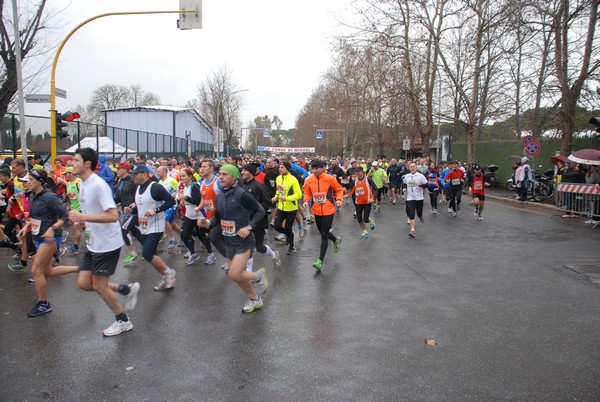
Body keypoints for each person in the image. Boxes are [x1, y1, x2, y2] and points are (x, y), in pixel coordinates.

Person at [67, 148, 139, 336]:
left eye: (75, 160)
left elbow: (113, 215)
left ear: (87, 163)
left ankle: (123, 321)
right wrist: (83, 220)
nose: (71, 163)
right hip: (93, 241)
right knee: (84, 283)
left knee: (99, 286)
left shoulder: (98, 185)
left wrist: (84, 216)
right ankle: (125, 289)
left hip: (107, 243)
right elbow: (92, 212)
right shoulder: (82, 184)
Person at [198, 164, 269, 313]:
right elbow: (218, 217)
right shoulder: (220, 196)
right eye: (220, 174)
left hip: (244, 242)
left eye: (225, 174)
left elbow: (260, 211)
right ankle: (255, 299)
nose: (221, 177)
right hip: (229, 241)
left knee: (234, 274)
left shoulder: (243, 195)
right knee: (237, 276)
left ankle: (258, 275)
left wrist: (249, 227)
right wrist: (208, 222)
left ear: (234, 177)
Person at [20, 169, 78, 317]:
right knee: (47, 271)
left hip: (51, 238)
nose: (27, 183)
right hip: (38, 237)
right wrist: (26, 227)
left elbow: (65, 216)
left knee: (35, 270)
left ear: (39, 181)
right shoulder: (33, 196)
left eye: (30, 180)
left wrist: (53, 228)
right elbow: (35, 216)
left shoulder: (50, 197)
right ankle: (81, 268)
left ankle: (43, 303)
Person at [124, 164, 177, 291]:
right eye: (132, 174)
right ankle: (166, 277)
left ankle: (170, 273)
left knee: (147, 254)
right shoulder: (138, 188)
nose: (133, 176)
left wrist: (156, 210)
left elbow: (171, 201)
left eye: (135, 174)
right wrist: (132, 209)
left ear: (144, 174)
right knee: (151, 255)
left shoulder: (155, 187)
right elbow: (142, 206)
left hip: (155, 226)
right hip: (144, 226)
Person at [302, 159, 344, 270]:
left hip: (328, 209)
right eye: (312, 168)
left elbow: (339, 189)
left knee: (324, 235)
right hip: (316, 210)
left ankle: (320, 260)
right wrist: (306, 200)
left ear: (322, 168)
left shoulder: (330, 178)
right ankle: (335, 240)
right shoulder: (309, 179)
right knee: (322, 233)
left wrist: (339, 199)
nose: (314, 171)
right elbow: (307, 192)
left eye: (317, 168)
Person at [241, 164, 281, 270]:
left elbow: (268, 203)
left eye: (245, 170)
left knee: (259, 247)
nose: (242, 172)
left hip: (258, 221)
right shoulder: (242, 186)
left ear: (250, 172)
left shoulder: (259, 186)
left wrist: (255, 210)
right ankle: (249, 273)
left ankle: (273, 254)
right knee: (247, 246)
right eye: (242, 170)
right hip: (246, 221)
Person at [179, 167, 216, 265]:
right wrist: (183, 202)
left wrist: (186, 198)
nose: (181, 178)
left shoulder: (195, 186)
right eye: (180, 176)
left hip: (199, 215)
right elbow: (188, 201)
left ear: (190, 176)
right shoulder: (184, 186)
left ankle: (211, 253)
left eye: (183, 176)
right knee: (183, 235)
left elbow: (198, 201)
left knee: (201, 235)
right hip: (189, 215)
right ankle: (193, 253)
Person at [272, 161, 302, 255]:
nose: (280, 169)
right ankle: (289, 236)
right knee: (277, 226)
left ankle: (292, 247)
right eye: (279, 167)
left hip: (291, 208)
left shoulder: (293, 179)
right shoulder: (278, 178)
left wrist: (287, 198)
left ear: (287, 169)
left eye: (282, 167)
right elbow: (279, 191)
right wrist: (276, 197)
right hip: (281, 207)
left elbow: (299, 194)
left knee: (288, 227)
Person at [114, 162, 141, 265]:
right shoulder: (120, 180)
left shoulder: (132, 181)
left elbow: (139, 193)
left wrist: (134, 204)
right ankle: (149, 250)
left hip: (133, 211)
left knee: (123, 230)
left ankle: (132, 253)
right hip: (124, 210)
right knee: (135, 232)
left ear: (125, 169)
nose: (117, 171)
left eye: (119, 169)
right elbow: (118, 197)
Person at [344, 166, 377, 239]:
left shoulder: (368, 179)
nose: (357, 173)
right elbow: (352, 190)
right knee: (359, 219)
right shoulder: (354, 181)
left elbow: (376, 188)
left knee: (365, 219)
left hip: (367, 202)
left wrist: (373, 198)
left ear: (362, 172)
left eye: (358, 172)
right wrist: (347, 195)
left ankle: (371, 220)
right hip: (358, 202)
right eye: (356, 172)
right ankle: (364, 231)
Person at [157, 165, 181, 249]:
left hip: (172, 205)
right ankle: (183, 236)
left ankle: (172, 239)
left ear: (164, 172)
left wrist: (177, 197)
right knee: (172, 224)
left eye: (159, 171)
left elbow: (179, 190)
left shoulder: (171, 181)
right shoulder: (159, 183)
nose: (157, 173)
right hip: (164, 206)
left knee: (164, 220)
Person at [401, 162, 428, 238]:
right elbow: (404, 183)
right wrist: (404, 188)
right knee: (411, 214)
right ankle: (412, 230)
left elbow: (426, 185)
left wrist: (420, 185)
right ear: (409, 168)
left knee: (419, 213)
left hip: (419, 198)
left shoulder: (420, 176)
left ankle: (420, 216)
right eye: (411, 167)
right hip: (410, 198)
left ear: (416, 168)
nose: (412, 168)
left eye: (413, 166)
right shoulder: (407, 176)